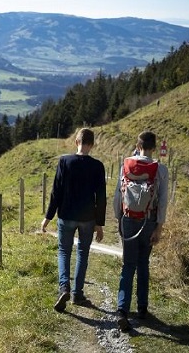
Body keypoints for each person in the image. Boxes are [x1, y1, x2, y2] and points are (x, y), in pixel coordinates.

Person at [41, 128, 106, 312]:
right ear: (91, 145)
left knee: (63, 252)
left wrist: (48, 217)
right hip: (87, 218)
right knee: (83, 253)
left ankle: (64, 288)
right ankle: (77, 294)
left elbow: (56, 192)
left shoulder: (64, 161)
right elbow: (101, 197)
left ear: (76, 142)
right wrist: (99, 224)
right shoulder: (97, 166)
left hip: (66, 215)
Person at [113, 131, 169, 332]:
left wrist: (119, 219)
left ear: (138, 146)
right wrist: (159, 227)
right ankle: (142, 308)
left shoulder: (126, 164)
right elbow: (162, 201)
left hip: (129, 219)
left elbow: (117, 196)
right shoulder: (160, 169)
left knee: (128, 265)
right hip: (149, 220)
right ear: (153, 148)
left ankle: (122, 310)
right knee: (143, 263)